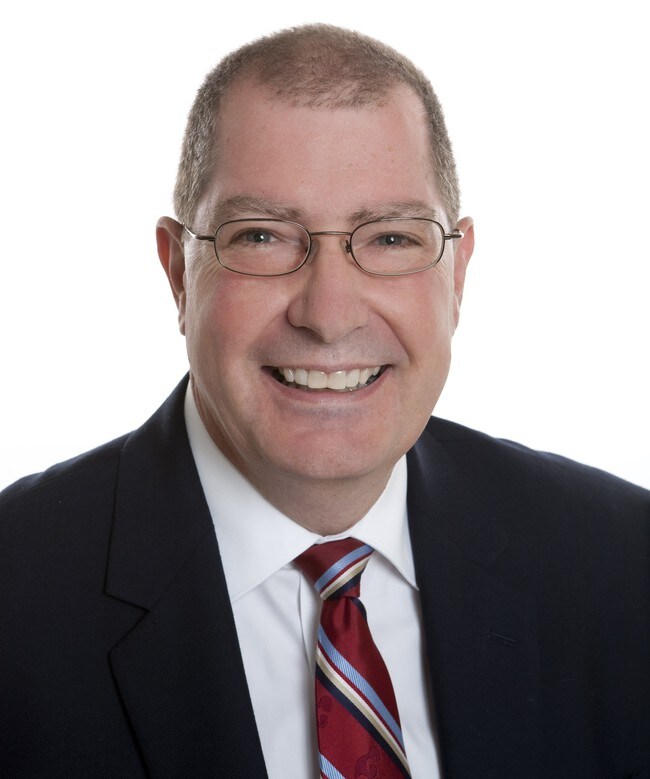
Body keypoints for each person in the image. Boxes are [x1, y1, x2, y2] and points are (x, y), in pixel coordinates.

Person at [0, 23, 648, 779]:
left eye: (391, 239)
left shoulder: (623, 566)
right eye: (263, 237)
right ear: (178, 274)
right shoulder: (18, 594)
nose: (330, 314)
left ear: (457, 273)